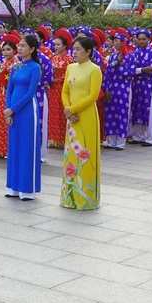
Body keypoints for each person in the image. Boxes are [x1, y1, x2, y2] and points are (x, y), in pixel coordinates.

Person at [60, 36, 102, 211]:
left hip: (87, 116)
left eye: (78, 49)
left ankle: (86, 198)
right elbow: (64, 91)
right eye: (73, 48)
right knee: (71, 154)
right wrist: (68, 110)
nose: (74, 52)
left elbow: (93, 95)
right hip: (72, 117)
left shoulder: (95, 70)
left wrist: (74, 109)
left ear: (88, 52)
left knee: (86, 153)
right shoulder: (70, 68)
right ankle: (69, 197)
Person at [5, 34, 43, 200]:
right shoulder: (16, 67)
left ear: (32, 49)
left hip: (27, 111)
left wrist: (13, 109)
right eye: (18, 45)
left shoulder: (35, 67)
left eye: (23, 46)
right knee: (14, 147)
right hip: (12, 111)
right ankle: (13, 186)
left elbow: (30, 93)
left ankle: (27, 189)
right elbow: (10, 90)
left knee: (27, 148)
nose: (19, 48)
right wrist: (7, 110)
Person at [103, 32, 135, 150]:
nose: (115, 43)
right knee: (110, 113)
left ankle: (120, 142)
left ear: (123, 42)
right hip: (111, 88)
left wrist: (120, 64)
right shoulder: (112, 56)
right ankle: (111, 142)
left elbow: (129, 74)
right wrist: (105, 88)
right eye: (114, 41)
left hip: (124, 88)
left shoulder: (130, 57)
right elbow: (107, 73)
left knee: (122, 113)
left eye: (117, 41)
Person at [129, 30, 152, 147]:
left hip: (148, 84)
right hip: (136, 84)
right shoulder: (134, 53)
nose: (141, 41)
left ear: (149, 39)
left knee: (150, 110)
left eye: (144, 39)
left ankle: (151, 138)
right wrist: (141, 70)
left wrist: (138, 70)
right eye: (139, 39)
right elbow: (131, 70)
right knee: (136, 109)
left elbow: (151, 69)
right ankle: (138, 136)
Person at [0, 36, 18, 158]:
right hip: (1, 96)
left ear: (14, 51)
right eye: (4, 50)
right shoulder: (0, 64)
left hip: (12, 96)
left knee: (9, 122)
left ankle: (8, 150)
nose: (6, 52)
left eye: (8, 49)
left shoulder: (17, 65)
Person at [48, 31, 74, 148]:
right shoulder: (53, 57)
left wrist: (58, 79)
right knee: (53, 113)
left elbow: (70, 74)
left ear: (65, 46)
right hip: (53, 89)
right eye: (55, 44)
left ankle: (63, 139)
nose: (56, 47)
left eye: (58, 44)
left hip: (62, 88)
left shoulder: (69, 59)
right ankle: (54, 139)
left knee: (61, 112)